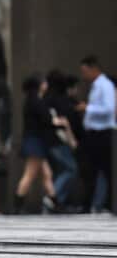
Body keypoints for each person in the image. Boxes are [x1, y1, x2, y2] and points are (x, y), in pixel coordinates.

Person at [15, 75, 62, 214]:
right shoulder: (36, 101)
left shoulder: (32, 100)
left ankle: (55, 204)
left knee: (47, 174)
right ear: (40, 85)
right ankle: (17, 205)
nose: (46, 84)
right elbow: (46, 119)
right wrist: (58, 122)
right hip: (34, 142)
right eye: (44, 82)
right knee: (30, 174)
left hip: (35, 141)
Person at [79, 56, 115, 212]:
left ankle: (108, 204)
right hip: (94, 133)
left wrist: (88, 108)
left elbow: (109, 109)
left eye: (85, 71)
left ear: (94, 68)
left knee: (106, 170)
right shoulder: (96, 86)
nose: (83, 76)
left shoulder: (104, 85)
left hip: (102, 133)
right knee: (92, 170)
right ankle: (90, 204)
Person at [45, 70, 82, 209]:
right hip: (58, 140)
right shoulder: (60, 99)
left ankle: (56, 200)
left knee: (58, 170)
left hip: (49, 140)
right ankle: (53, 198)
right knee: (71, 168)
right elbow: (65, 121)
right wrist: (72, 138)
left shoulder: (46, 98)